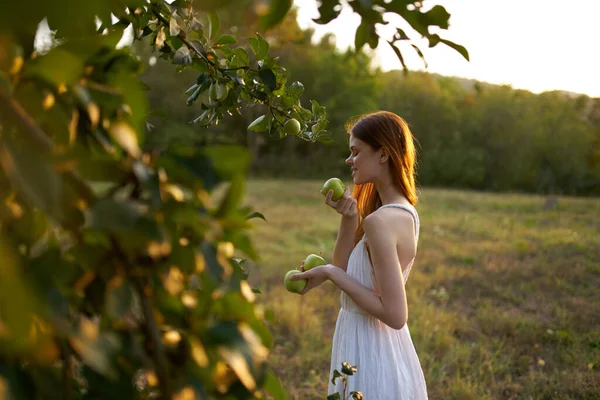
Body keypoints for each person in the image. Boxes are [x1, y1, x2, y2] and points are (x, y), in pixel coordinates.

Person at [290, 111, 428, 399]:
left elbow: (395, 314)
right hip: (371, 343)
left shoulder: (380, 221)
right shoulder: (405, 212)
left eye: (355, 152)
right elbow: (346, 270)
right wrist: (349, 219)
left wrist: (329, 272)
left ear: (382, 155)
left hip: (371, 349)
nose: (348, 160)